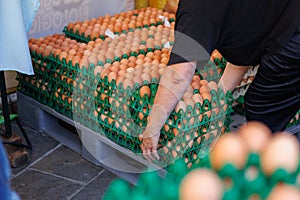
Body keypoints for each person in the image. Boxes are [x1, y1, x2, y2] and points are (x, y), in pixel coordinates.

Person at [140, 0, 300, 160]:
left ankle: (261, 173)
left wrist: (152, 129)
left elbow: (179, 74)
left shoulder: (196, 8)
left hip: (294, 33)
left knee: (262, 108)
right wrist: (220, 95)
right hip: (289, 21)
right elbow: (245, 45)